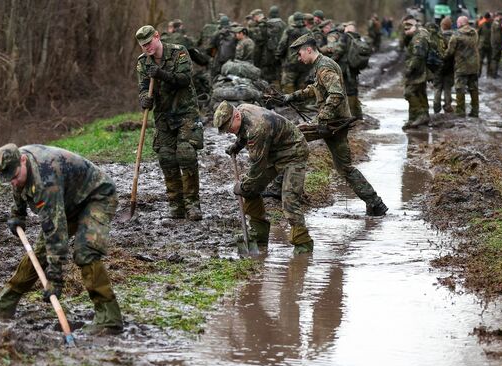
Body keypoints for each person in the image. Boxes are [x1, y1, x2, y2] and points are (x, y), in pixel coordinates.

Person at [0, 144, 123, 335]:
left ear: (22, 160)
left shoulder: (46, 179)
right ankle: (5, 303)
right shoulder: (19, 165)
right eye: (8, 179)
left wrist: (55, 279)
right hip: (68, 199)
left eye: (14, 176)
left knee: (86, 251)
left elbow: (55, 232)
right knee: (39, 253)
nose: (12, 182)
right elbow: (19, 186)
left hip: (96, 197)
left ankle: (109, 319)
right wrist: (17, 213)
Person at [283, 34, 388, 216]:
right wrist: (292, 96)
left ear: (309, 50)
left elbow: (336, 94)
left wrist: (322, 118)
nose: (299, 58)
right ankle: (375, 203)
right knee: (345, 168)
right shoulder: (323, 64)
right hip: (335, 122)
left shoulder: (324, 68)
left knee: (289, 141)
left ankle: (280, 191)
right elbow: (316, 89)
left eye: (300, 54)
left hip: (332, 123)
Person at [213, 102, 314, 254]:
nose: (228, 132)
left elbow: (257, 167)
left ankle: (303, 245)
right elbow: (243, 132)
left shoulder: (258, 128)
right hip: (273, 152)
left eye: (229, 128)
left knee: (289, 199)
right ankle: (259, 235)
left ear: (236, 116)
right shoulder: (241, 112)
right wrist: (237, 145)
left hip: (294, 152)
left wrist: (243, 186)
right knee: (251, 190)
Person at [135, 25, 204, 220]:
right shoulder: (143, 63)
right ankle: (176, 205)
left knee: (186, 154)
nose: (147, 48)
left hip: (185, 113)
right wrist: (143, 99)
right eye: (143, 46)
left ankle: (193, 204)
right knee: (166, 158)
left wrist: (161, 74)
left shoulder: (179, 51)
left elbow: (184, 79)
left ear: (157, 37)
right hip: (163, 116)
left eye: (149, 43)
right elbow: (142, 87)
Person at [446, 16, 480, 117]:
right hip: (474, 65)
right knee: (473, 88)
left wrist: (442, 56)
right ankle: (475, 111)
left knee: (460, 88)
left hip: (462, 65)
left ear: (461, 23)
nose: (456, 24)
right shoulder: (474, 32)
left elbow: (450, 51)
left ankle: (460, 111)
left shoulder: (456, 34)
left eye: (457, 22)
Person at [402, 16, 432, 129]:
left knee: (409, 93)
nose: (405, 31)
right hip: (420, 70)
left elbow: (418, 57)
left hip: (418, 71)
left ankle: (421, 114)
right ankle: (414, 118)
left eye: (406, 29)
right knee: (420, 93)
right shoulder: (417, 35)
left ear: (413, 26)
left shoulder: (418, 38)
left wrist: (409, 69)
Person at [277, 12, 311, 93]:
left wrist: (278, 56)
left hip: (290, 64)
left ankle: (291, 104)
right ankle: (301, 105)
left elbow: (282, 45)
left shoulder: (289, 31)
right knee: (302, 88)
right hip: (305, 64)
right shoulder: (308, 31)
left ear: (294, 20)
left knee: (288, 86)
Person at [432, 17, 454, 114]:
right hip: (450, 65)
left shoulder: (437, 37)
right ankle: (448, 106)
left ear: (443, 26)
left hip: (438, 65)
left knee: (437, 87)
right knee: (447, 87)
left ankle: (436, 107)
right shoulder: (454, 36)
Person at [263, 6, 287, 86]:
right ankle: (280, 86)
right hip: (280, 50)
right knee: (279, 69)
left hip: (269, 51)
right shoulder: (283, 24)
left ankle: (268, 87)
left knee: (268, 69)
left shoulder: (266, 23)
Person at [489, 12, 502, 78]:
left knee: (496, 59)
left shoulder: (496, 23)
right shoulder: (496, 23)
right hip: (496, 44)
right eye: (501, 16)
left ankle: (494, 73)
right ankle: (493, 73)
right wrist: (500, 43)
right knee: (495, 59)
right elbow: (498, 36)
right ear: (498, 16)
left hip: (496, 44)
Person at [478, 12, 492, 78]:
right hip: (486, 45)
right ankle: (486, 73)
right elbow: (478, 33)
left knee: (482, 60)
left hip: (484, 44)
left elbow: (478, 34)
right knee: (486, 60)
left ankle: (480, 73)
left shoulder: (481, 24)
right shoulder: (491, 24)